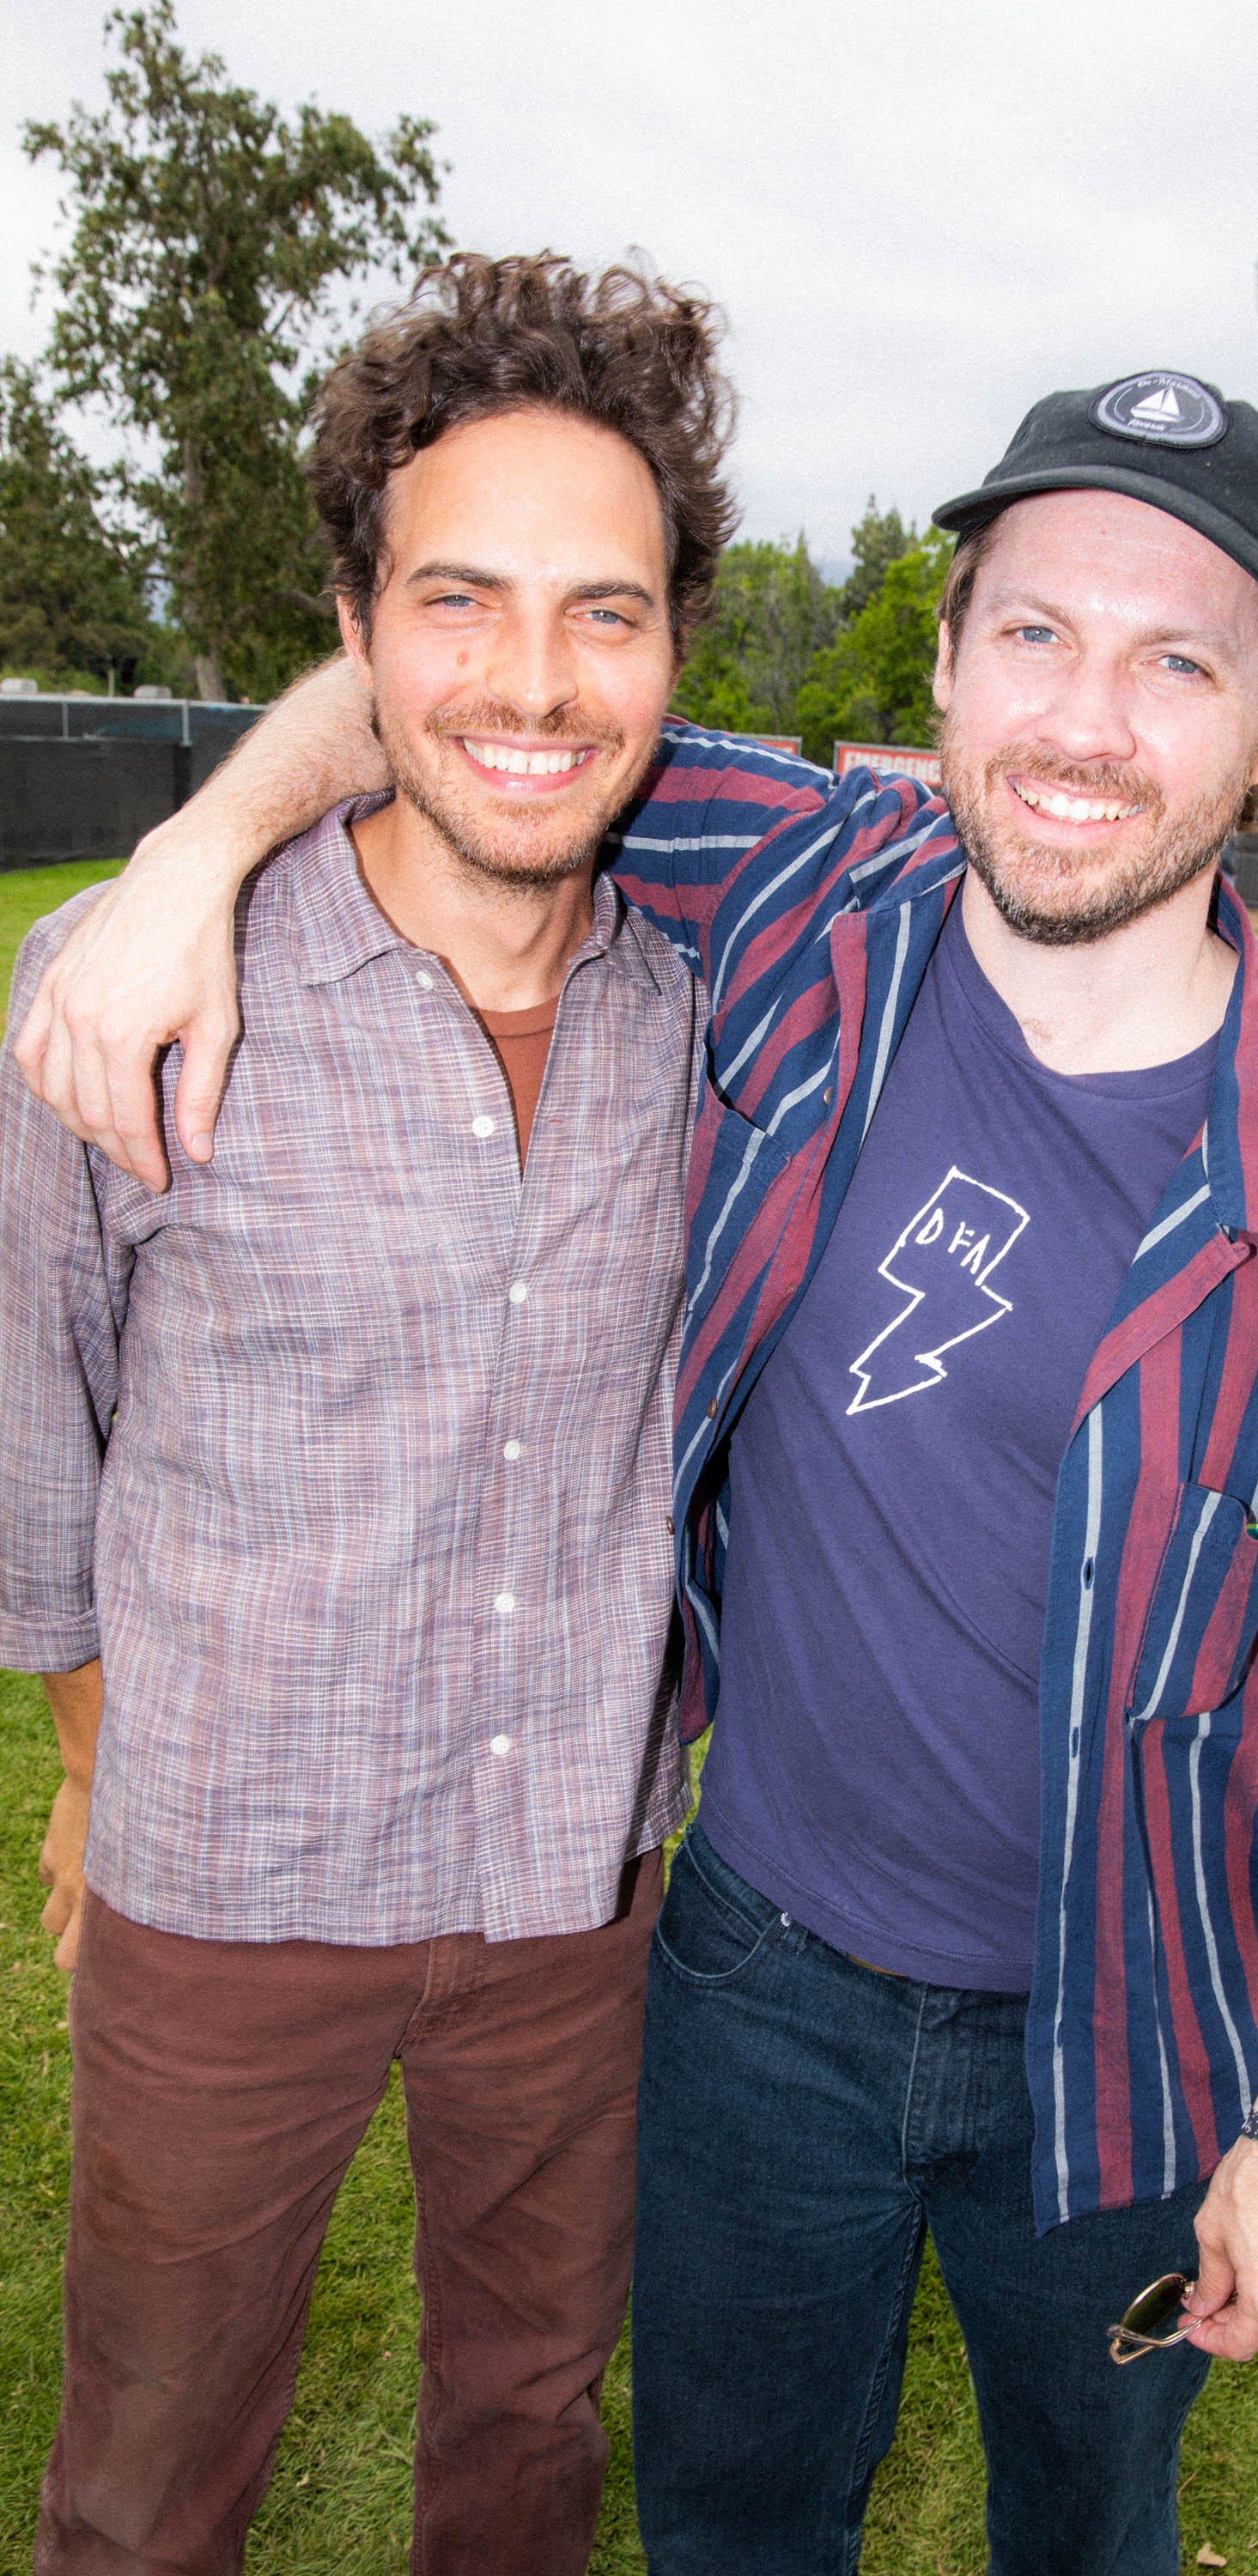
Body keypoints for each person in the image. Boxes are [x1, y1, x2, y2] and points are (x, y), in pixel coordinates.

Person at [15, 339, 1258, 2576]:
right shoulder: (817, 906)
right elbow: (475, 700)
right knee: (698, 2525)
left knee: (1057, 2524)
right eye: (1036, 634)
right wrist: (196, 848)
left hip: (1096, 2023)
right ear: (952, 661)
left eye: (1179, 661)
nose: (1086, 720)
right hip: (740, 1984)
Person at [1, 253, 736, 2576]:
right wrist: (94, 1768)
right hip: (227, 1881)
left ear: (674, 652)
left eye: (605, 611)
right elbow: (36, 1435)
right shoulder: (130, 998)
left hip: (573, 1887)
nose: (534, 678)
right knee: (144, 2486)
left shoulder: (722, 1011)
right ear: (355, 627)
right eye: (459, 600)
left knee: (527, 2435)